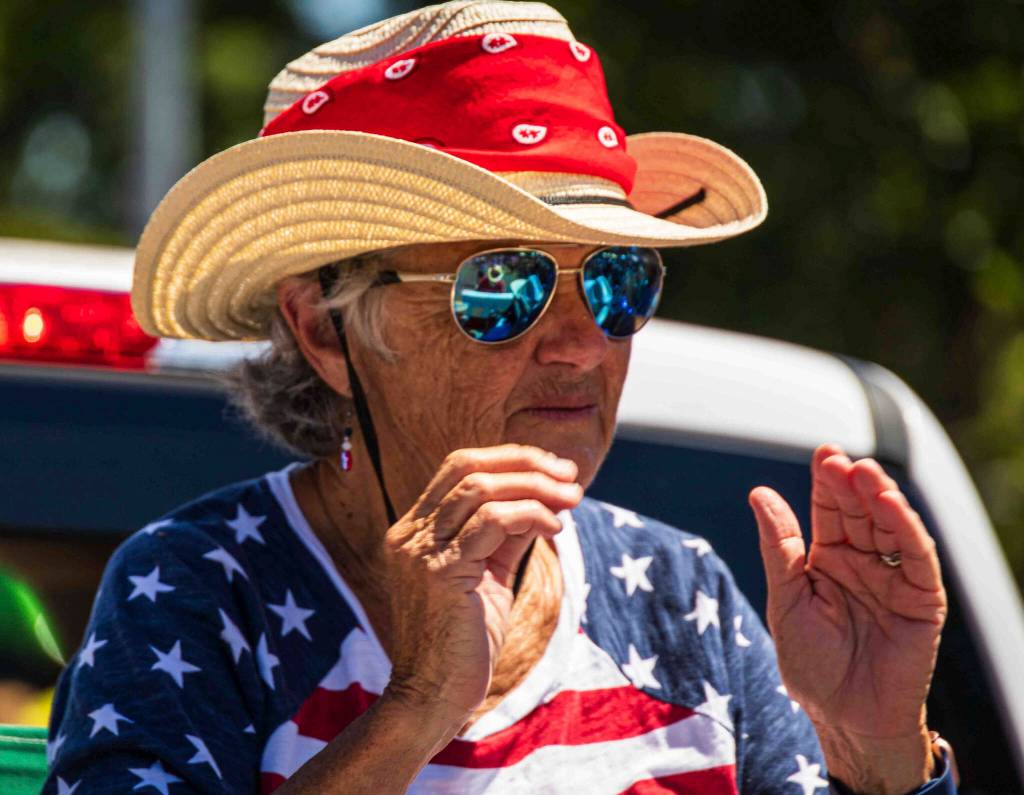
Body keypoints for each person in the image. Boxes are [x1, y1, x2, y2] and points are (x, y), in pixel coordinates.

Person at [43, 2, 957, 793]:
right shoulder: (199, 594)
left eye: (618, 281)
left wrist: (876, 753)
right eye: (501, 285)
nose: (581, 343)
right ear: (327, 330)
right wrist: (414, 709)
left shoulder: (684, 593)